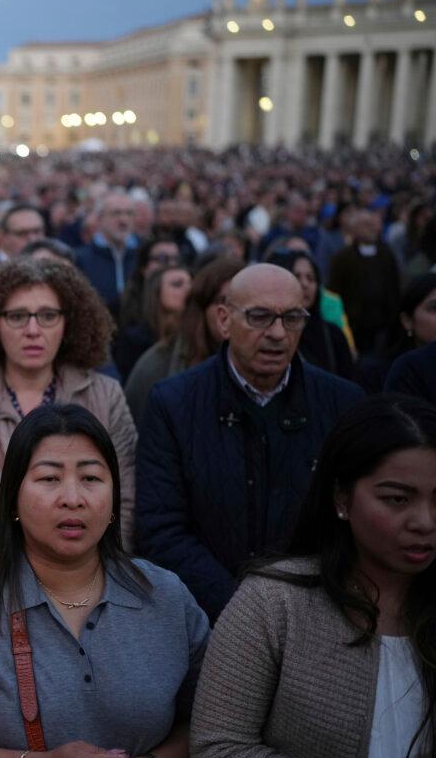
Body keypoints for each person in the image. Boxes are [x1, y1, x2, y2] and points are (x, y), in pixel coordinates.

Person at [0, 405, 209, 758]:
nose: (72, 498)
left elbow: (212, 722)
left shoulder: (165, 596)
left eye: (91, 479)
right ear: (13, 499)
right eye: (49, 479)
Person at [191, 394, 436, 758]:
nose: (424, 521)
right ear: (342, 498)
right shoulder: (273, 603)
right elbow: (219, 747)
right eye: (397, 499)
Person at [137, 263, 364, 621]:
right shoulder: (173, 404)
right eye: (260, 317)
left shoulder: (342, 403)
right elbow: (161, 529)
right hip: (207, 618)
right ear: (224, 320)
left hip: (317, 616)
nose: (278, 333)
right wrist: (241, 607)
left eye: (292, 318)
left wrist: (306, 602)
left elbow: (355, 521)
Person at [0, 260, 139, 582]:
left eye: (48, 316)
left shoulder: (106, 396)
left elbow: (126, 502)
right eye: (17, 316)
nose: (33, 330)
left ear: (69, 323)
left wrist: (81, 578)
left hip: (88, 585)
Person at [124, 257, 242, 427]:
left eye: (243, 303)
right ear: (202, 309)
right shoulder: (156, 365)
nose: (231, 313)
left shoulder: (276, 362)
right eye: (224, 302)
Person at [265, 249, 355, 379]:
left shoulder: (333, 335)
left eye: (311, 278)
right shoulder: (271, 334)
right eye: (297, 276)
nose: (305, 284)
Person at [327, 209, 401, 357]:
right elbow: (334, 291)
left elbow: (395, 288)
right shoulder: (342, 258)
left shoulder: (386, 254)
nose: (372, 228)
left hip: (383, 326)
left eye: (373, 224)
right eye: (366, 225)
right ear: (354, 230)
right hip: (354, 326)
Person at [114, 263, 192, 383]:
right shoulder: (133, 340)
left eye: (191, 283)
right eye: (177, 284)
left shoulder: (196, 337)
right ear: (156, 292)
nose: (189, 289)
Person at [75, 192, 139, 319]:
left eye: (129, 213)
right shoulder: (80, 258)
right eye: (116, 213)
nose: (123, 220)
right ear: (99, 219)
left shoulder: (144, 253)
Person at [0, 204, 46, 275]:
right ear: (3, 235)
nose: (32, 239)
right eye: (22, 233)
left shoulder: (52, 263)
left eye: (37, 231)